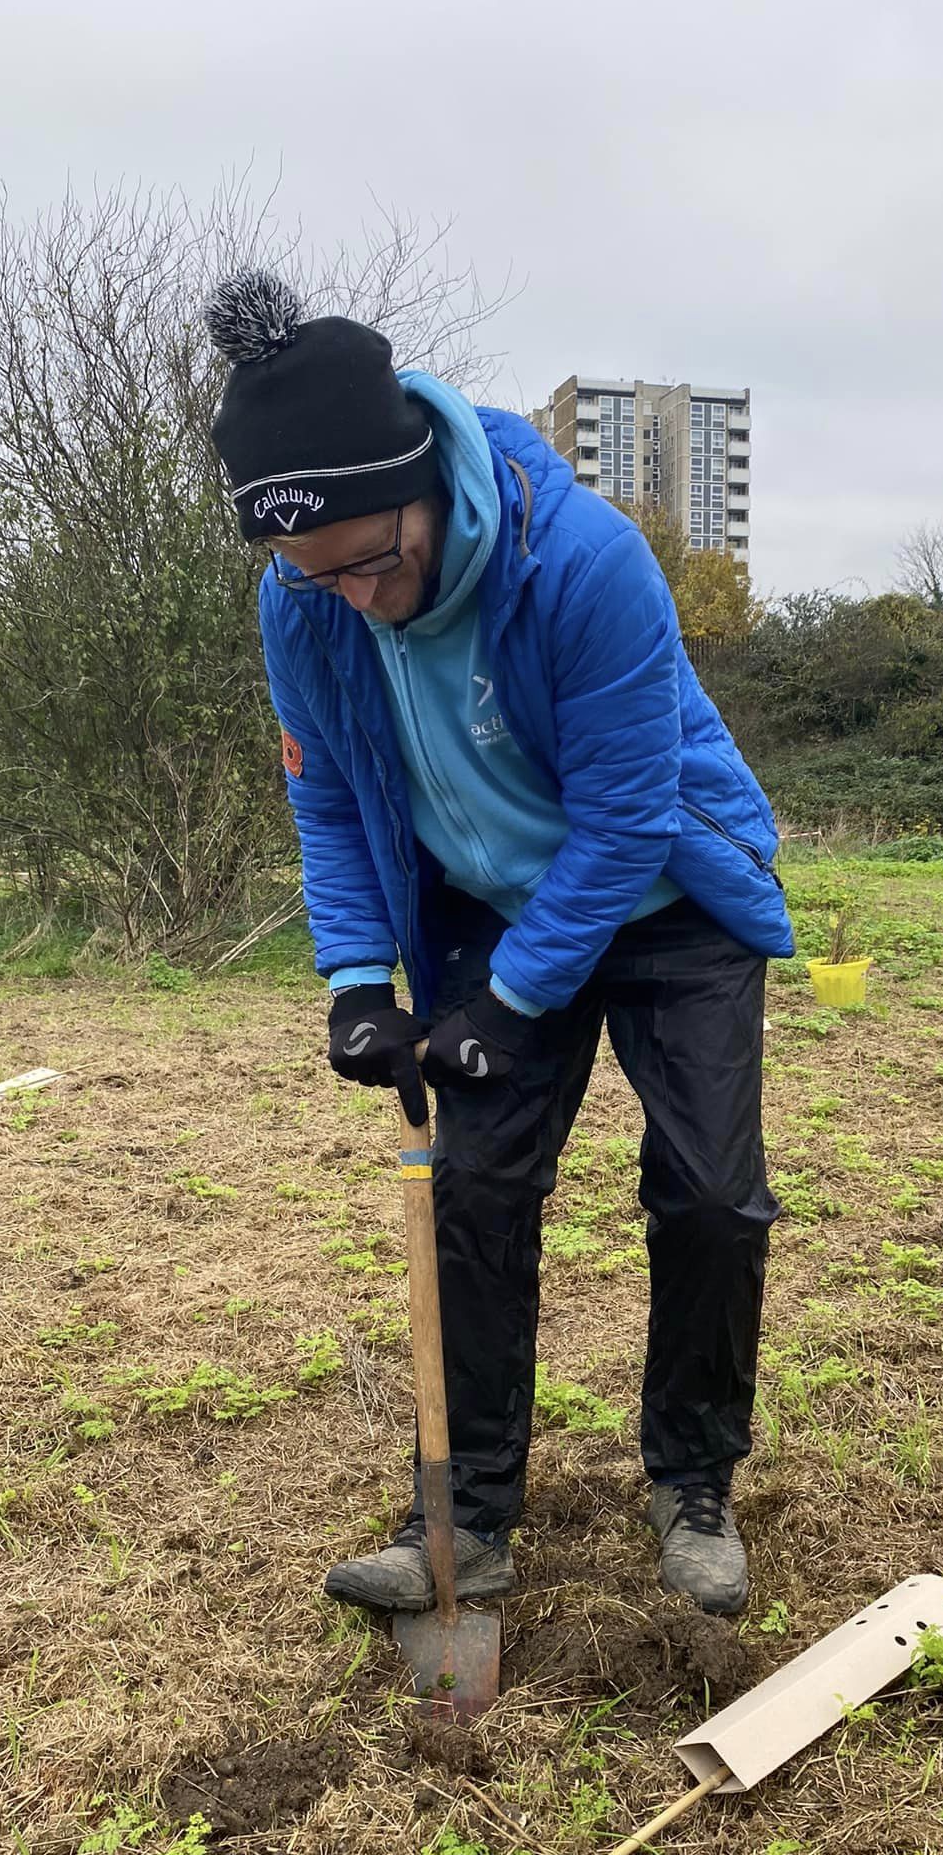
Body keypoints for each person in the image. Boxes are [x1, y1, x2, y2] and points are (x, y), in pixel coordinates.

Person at [203, 269, 795, 1615]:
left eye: (372, 558)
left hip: (669, 901)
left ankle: (693, 1487)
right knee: (472, 1193)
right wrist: (359, 981)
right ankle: (463, 1521)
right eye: (312, 572)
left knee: (708, 1196)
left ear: (427, 488)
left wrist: (517, 1000)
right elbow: (334, 794)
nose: (351, 595)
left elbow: (631, 817)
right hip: (484, 900)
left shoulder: (581, 558)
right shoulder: (306, 602)